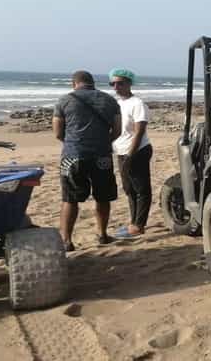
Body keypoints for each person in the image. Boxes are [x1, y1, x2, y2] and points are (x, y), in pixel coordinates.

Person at [52, 70, 121, 251]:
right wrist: (103, 142)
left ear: (74, 83)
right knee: (102, 196)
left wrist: (74, 143)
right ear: (92, 82)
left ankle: (66, 241)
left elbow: (58, 132)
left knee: (70, 199)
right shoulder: (109, 100)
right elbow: (117, 130)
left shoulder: (64, 100)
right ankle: (102, 234)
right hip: (101, 156)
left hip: (73, 155)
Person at [109, 68, 153, 238]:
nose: (116, 87)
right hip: (121, 151)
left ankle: (139, 225)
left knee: (141, 188)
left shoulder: (137, 103)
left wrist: (130, 154)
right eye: (112, 83)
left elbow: (139, 130)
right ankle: (133, 222)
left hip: (137, 151)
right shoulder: (118, 103)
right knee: (129, 189)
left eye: (120, 83)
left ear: (129, 83)